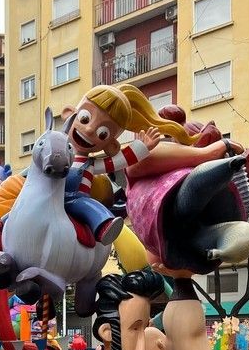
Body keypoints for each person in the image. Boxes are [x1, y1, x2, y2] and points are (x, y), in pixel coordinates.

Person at [60, 84, 196, 245]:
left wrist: (143, 147)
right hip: (52, 192)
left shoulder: (91, 164)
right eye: (85, 119)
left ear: (112, 145)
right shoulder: (56, 153)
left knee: (89, 206)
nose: (89, 130)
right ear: (69, 114)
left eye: (102, 133)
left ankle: (104, 225)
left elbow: (120, 160)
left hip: (76, 199)